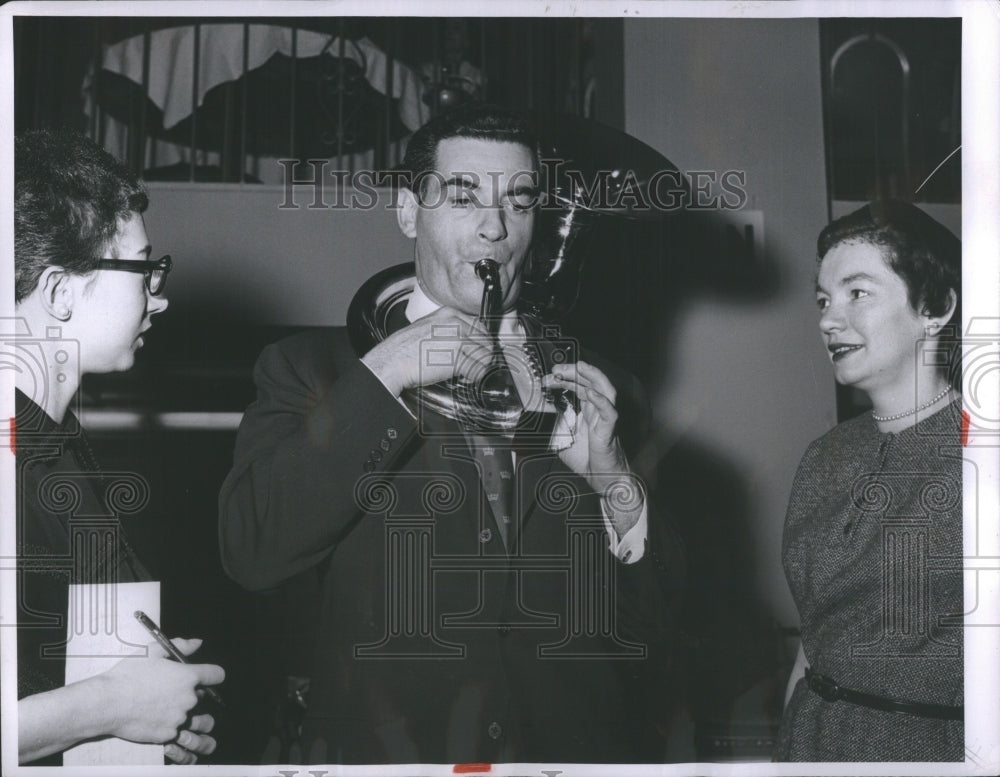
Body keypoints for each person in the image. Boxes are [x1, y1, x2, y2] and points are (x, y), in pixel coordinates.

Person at [219, 104, 683, 764]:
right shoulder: (310, 370)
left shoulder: (609, 389)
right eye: (464, 196)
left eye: (518, 201)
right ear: (410, 213)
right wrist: (385, 371)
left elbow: (660, 630)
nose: (495, 227)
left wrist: (613, 481)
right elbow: (252, 551)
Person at [13, 129, 225, 765]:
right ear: (59, 292)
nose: (159, 294)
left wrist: (146, 702)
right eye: (142, 268)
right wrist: (112, 705)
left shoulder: (56, 448)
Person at [776, 200, 964, 760]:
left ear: (935, 306)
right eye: (823, 300)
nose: (829, 319)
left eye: (858, 292)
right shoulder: (824, 456)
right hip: (808, 741)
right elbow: (812, 647)